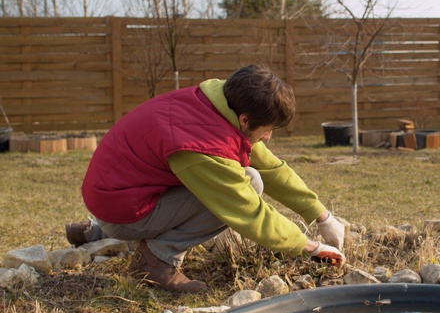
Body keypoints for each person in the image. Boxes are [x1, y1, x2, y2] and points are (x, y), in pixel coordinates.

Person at [65, 64, 346, 294]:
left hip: (116, 197)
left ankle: (97, 231)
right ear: (246, 120)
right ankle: (156, 261)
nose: (268, 137)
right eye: (268, 129)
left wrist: (321, 215)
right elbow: (247, 211)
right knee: (250, 183)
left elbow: (271, 167)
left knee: (255, 175)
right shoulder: (203, 147)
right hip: (123, 211)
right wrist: (311, 247)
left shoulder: (216, 104)